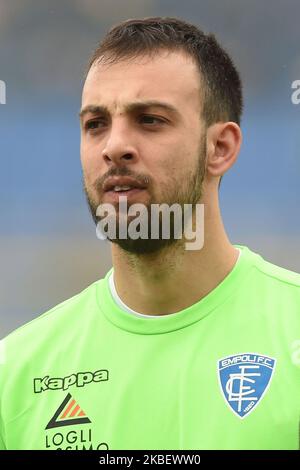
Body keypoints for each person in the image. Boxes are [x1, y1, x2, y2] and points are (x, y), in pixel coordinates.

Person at [0, 16, 299, 451]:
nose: (114, 146)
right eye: (95, 124)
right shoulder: (17, 373)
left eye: (151, 120)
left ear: (220, 148)